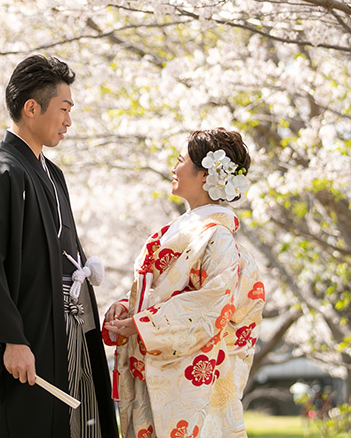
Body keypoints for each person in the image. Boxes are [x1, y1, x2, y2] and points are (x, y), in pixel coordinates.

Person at [0, 55, 118, 438]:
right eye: (64, 109)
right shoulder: (2, 172)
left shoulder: (51, 173)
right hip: (29, 333)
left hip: (68, 325)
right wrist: (12, 339)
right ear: (31, 108)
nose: (69, 121)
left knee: (79, 422)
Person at [102, 128, 266, 438]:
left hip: (189, 375)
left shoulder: (216, 236)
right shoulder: (185, 229)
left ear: (206, 175)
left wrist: (143, 324)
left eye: (181, 160)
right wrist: (126, 308)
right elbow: (154, 292)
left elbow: (213, 305)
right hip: (159, 364)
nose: (174, 168)